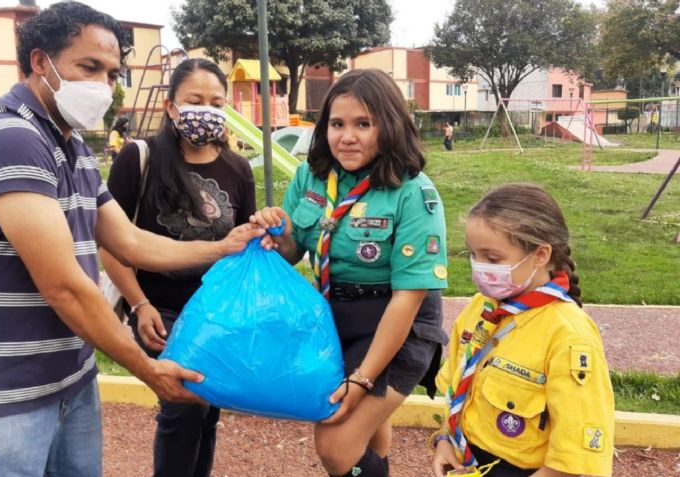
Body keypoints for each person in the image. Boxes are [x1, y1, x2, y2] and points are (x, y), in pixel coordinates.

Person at [0, 3, 263, 476]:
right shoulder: (9, 135)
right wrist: (148, 368)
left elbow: (132, 242)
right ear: (41, 62)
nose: (103, 86)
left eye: (113, 73)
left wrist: (224, 246)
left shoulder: (71, 146)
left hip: (68, 377)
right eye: (89, 67)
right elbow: (65, 285)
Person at [252, 68, 449, 477]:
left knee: (336, 442)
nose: (347, 137)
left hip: (396, 323)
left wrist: (362, 379)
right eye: (337, 124)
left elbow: (408, 299)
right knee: (367, 432)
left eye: (363, 124)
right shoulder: (312, 176)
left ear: (389, 125)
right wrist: (279, 231)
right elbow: (292, 252)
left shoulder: (413, 191)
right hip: (333, 315)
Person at [101, 58, 256, 477]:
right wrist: (139, 305)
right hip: (160, 310)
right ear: (171, 106)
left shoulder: (238, 169)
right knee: (184, 406)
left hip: (217, 312)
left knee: (207, 412)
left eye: (216, 102)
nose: (206, 110)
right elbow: (112, 244)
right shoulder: (139, 158)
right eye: (194, 100)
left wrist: (268, 231)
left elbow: (244, 246)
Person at [431, 183, 614, 477]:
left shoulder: (569, 335)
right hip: (467, 460)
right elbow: (456, 388)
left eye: (492, 259)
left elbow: (573, 455)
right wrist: (444, 440)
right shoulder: (480, 308)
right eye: (474, 255)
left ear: (540, 255)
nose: (479, 267)